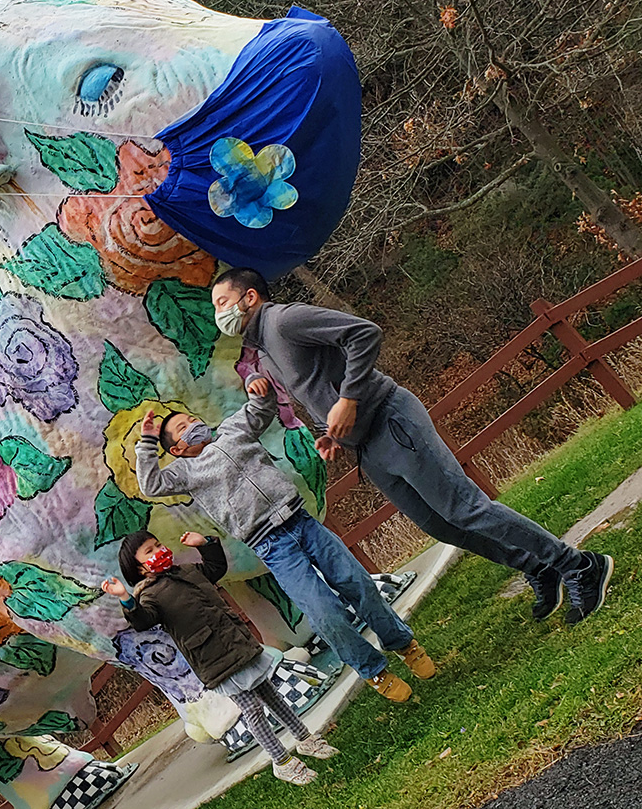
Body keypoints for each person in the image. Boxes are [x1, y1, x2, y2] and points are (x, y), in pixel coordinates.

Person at [209, 266, 614, 626]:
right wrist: (330, 433)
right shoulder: (266, 352)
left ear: (250, 297)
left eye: (223, 302)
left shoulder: (285, 321)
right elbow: (317, 387)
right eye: (214, 308)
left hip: (391, 420)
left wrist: (349, 399)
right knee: (436, 523)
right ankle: (535, 566)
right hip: (367, 446)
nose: (219, 314)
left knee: (466, 508)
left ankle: (577, 565)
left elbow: (364, 334)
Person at [134, 376, 435, 702]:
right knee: (324, 611)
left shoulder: (232, 431)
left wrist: (256, 386)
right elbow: (151, 484)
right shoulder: (185, 472)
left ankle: (402, 643)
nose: (193, 425)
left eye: (192, 419)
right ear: (177, 449)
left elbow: (260, 410)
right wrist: (148, 443)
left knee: (357, 583)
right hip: (272, 546)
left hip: (302, 521)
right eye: (183, 429)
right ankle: (373, 669)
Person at [102, 529, 338, 785]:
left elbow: (215, 568)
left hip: (238, 644)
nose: (159, 551)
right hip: (214, 661)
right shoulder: (148, 596)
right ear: (139, 569)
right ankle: (282, 761)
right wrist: (125, 599)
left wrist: (206, 544)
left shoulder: (188, 570)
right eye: (150, 551)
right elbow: (143, 621)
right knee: (252, 709)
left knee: (271, 695)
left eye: (158, 544)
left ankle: (305, 739)